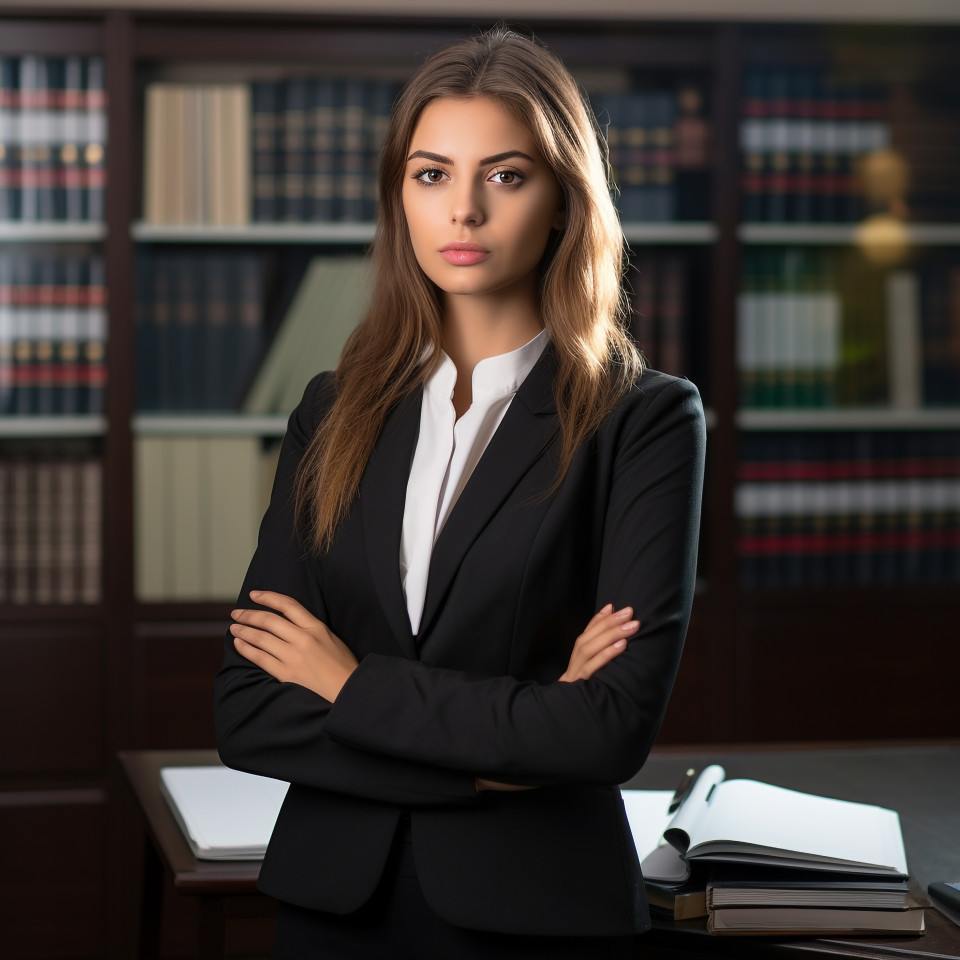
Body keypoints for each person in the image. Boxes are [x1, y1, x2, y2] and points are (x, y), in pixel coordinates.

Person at [214, 24, 706, 959]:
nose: (464, 212)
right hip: (332, 910)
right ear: (400, 196)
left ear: (564, 199)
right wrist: (509, 757)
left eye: (507, 175)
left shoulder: (642, 422)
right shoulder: (333, 410)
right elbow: (249, 707)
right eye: (431, 174)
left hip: (536, 913)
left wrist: (348, 684)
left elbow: (603, 732)